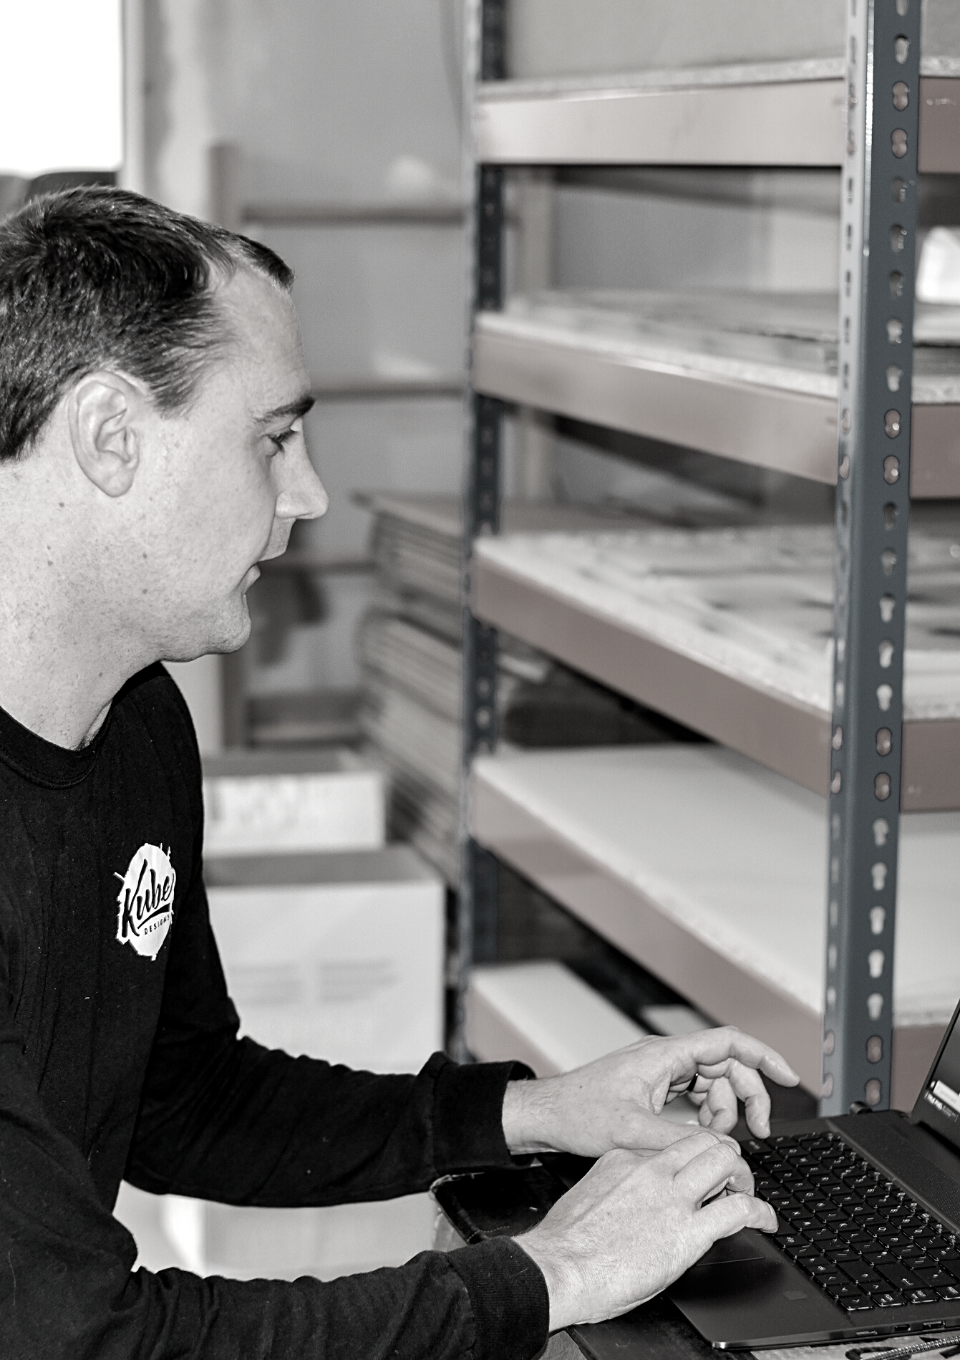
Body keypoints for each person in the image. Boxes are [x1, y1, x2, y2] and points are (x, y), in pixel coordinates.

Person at [0, 187, 799, 1359]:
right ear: (111, 436)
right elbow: (83, 1340)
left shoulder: (136, 722)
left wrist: (530, 1112)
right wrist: (555, 1272)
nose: (311, 494)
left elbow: (179, 1097)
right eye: (274, 438)